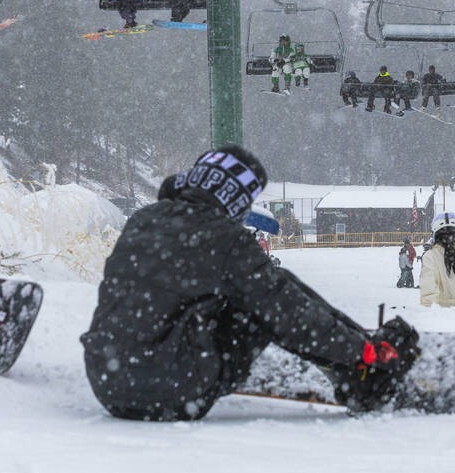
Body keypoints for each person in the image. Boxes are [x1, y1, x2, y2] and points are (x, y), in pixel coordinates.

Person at [81, 145, 420, 421]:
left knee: (258, 289)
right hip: (173, 390)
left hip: (106, 382)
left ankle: (356, 355)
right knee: (267, 297)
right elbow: (288, 311)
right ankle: (364, 370)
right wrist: (359, 348)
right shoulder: (225, 238)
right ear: (237, 200)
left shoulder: (142, 220)